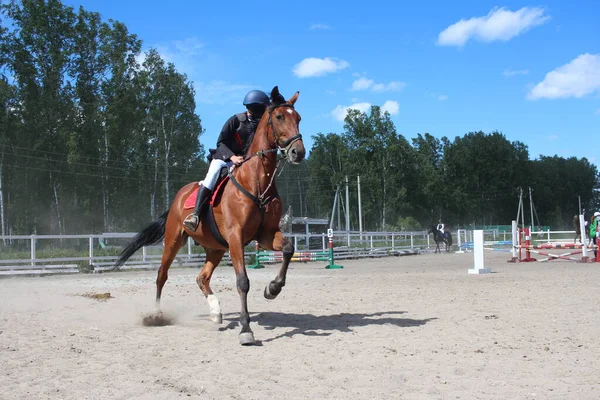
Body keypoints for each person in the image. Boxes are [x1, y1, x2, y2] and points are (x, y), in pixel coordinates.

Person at [183, 89, 270, 231]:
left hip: (246, 162)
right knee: (211, 178)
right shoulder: (235, 120)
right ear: (251, 108)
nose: (262, 113)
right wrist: (232, 157)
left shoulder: (261, 125)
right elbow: (221, 143)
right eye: (261, 109)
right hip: (224, 158)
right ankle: (195, 215)